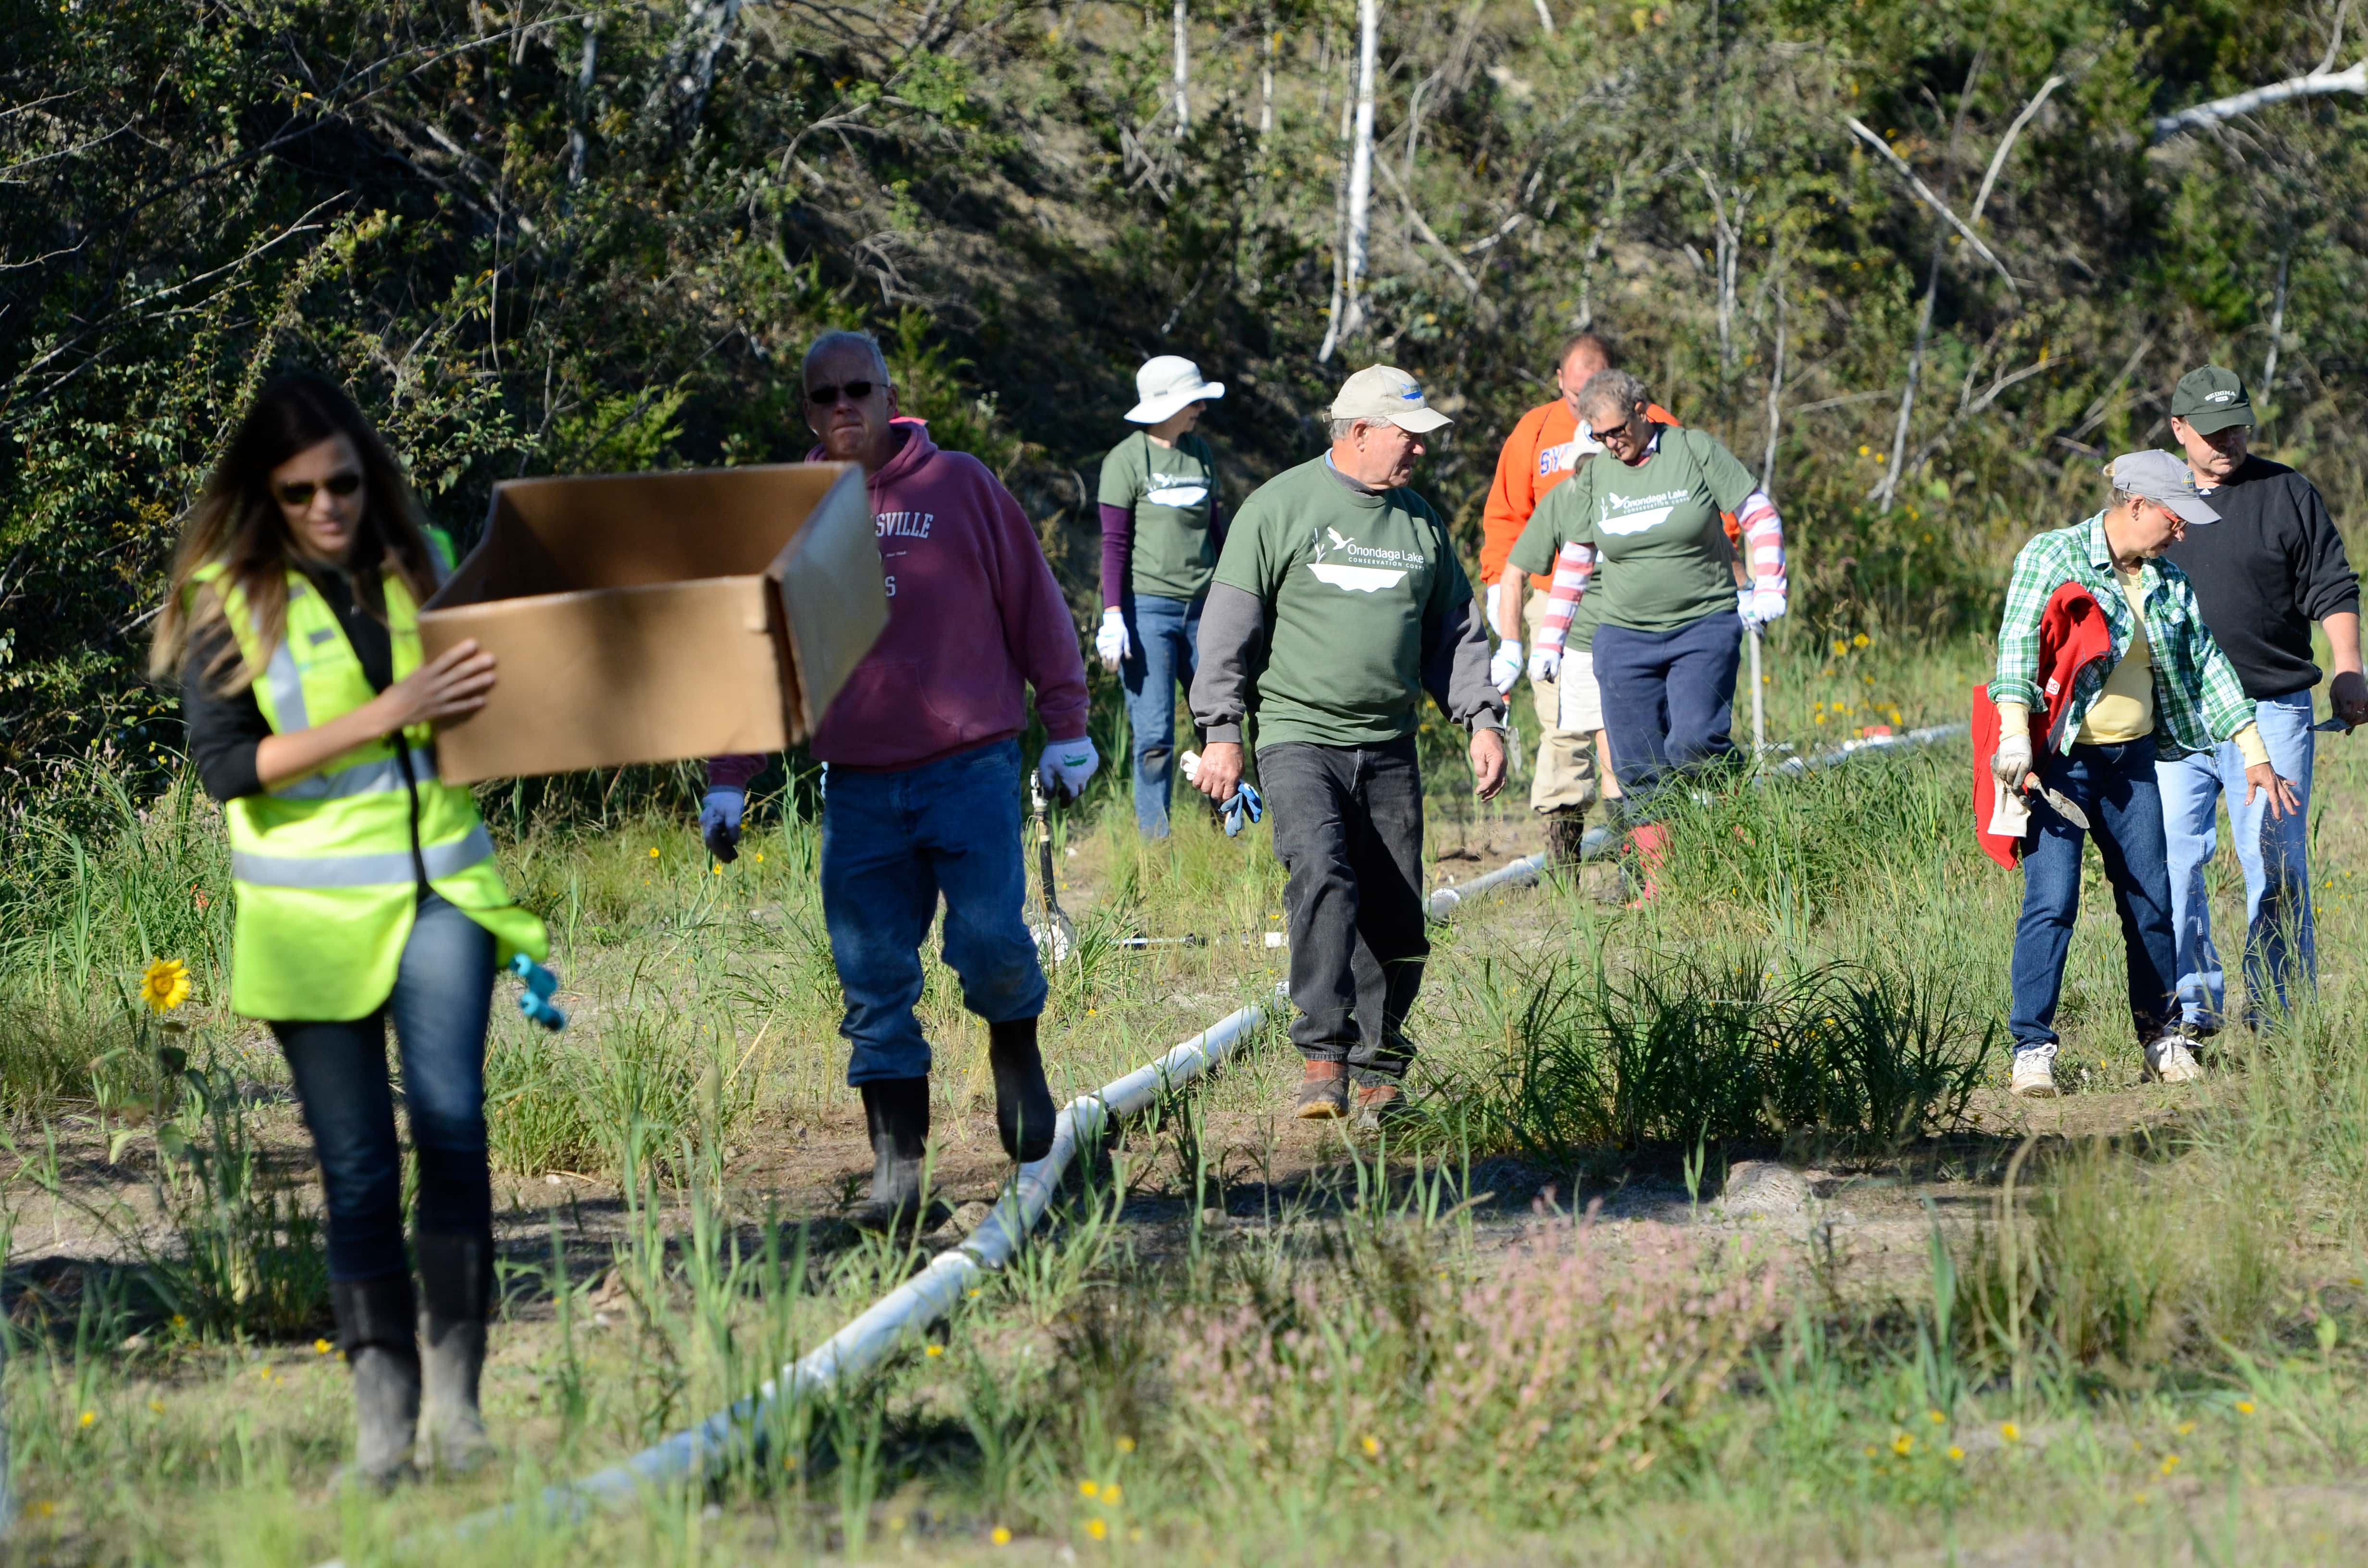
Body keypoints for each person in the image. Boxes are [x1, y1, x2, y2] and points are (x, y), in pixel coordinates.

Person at [151, 373, 550, 1489]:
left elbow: (488, 700)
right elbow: (226, 765)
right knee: (361, 1174)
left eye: (344, 482)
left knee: (455, 1128)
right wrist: (380, 718)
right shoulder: (228, 597)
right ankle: (384, 1430)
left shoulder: (418, 555)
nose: (329, 506)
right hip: (311, 921)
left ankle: (459, 1415)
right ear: (263, 497)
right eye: (300, 492)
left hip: (442, 899)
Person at [701, 330, 1095, 1225]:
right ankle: (898, 1170)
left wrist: (1067, 727)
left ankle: (1014, 1051)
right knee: (872, 973)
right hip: (860, 783)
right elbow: (761, 657)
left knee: (993, 938)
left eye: (857, 390)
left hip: (970, 765)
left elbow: (1034, 604)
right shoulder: (793, 513)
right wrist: (731, 776)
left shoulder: (959, 484)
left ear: (887, 395)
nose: (842, 406)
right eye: (822, 395)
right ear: (804, 410)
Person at [1189, 366, 1507, 1126]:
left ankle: (1379, 1071)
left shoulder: (1421, 523)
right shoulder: (1280, 507)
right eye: (1410, 437)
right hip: (1300, 734)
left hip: (1390, 742)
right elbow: (1227, 631)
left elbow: (1455, 633)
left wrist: (1483, 718)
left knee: (1397, 914)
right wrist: (1222, 733)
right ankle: (1323, 1055)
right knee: (1322, 874)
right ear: (1360, 433)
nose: (1421, 452)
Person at [1986, 450, 2300, 1098]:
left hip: (2131, 762)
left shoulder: (2167, 580)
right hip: (2060, 764)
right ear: (2136, 507)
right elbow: (2016, 646)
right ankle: (2033, 1049)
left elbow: (2209, 665)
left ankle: (2162, 1037)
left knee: (2152, 902)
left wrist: (2253, 749)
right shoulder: (2053, 557)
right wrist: (2015, 732)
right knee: (2053, 901)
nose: (2182, 532)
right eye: (2174, 518)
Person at [1503, 369, 1786, 896]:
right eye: (1600, 436)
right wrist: (1549, 642)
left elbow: (1758, 513)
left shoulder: (1692, 450)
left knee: (1694, 741)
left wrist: (1766, 585)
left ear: (1641, 410)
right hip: (1624, 638)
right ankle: (1665, 886)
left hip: (1700, 624)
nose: (1613, 443)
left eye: (1617, 431)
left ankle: (1743, 829)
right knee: (1637, 766)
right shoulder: (1598, 475)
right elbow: (1576, 560)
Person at [2156, 366, 2366, 1035]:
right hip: (2178, 716)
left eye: (2237, 427)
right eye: (2212, 431)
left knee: (2275, 860)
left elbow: (2332, 586)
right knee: (2174, 861)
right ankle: (2193, 1008)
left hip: (2270, 709)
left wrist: (2349, 670)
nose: (2228, 441)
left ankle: (2278, 1014)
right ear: (2179, 429)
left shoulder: (2285, 492)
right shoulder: (2154, 498)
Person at [1480, 331, 1623, 865]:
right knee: (1563, 727)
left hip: (1631, 596)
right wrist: (1502, 595)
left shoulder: (1648, 423)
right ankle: (1565, 874)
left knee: (1626, 727)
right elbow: (1504, 517)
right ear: (1558, 380)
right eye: (1576, 395)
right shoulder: (1534, 430)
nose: (1587, 411)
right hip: (1550, 597)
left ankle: (1639, 863)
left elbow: (1696, 495)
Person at [1096, 356, 1227, 837]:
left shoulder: (1200, 454)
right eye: (1193, 401)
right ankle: (1155, 842)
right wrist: (1114, 617)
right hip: (1147, 611)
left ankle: (1228, 829)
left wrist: (1238, 597)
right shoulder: (1125, 461)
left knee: (1217, 725)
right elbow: (1114, 543)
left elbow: (1216, 532)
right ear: (1169, 403)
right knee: (1153, 737)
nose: (1199, 409)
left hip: (1206, 611)